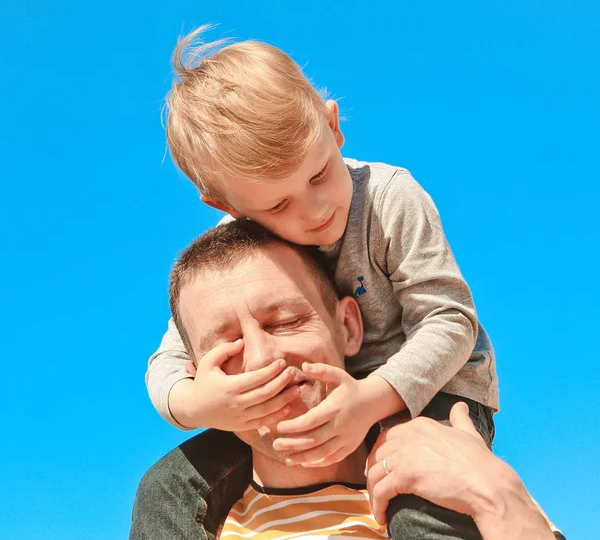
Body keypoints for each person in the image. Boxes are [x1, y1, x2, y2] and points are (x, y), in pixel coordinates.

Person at [146, 24, 500, 536]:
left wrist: (370, 400)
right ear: (226, 205)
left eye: (317, 175)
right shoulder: (238, 250)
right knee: (166, 489)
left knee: (421, 494)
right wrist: (202, 403)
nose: (314, 211)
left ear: (333, 127)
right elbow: (168, 361)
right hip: (318, 400)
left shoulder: (390, 197)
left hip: (432, 393)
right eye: (278, 204)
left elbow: (449, 321)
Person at [131, 221, 561, 540]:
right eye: (228, 346)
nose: (263, 357)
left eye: (285, 322)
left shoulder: (472, 497)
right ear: (194, 376)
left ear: (348, 328)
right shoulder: (181, 515)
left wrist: (497, 499)